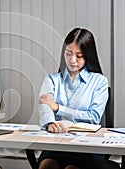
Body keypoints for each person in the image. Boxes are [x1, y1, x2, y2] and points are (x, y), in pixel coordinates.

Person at [37, 28, 108, 169]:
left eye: (79, 55)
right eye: (68, 53)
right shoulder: (52, 79)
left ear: (88, 55)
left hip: (86, 146)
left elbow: (93, 117)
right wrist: (50, 122)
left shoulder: (99, 82)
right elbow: (45, 104)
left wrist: (58, 108)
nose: (72, 60)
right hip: (58, 143)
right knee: (47, 166)